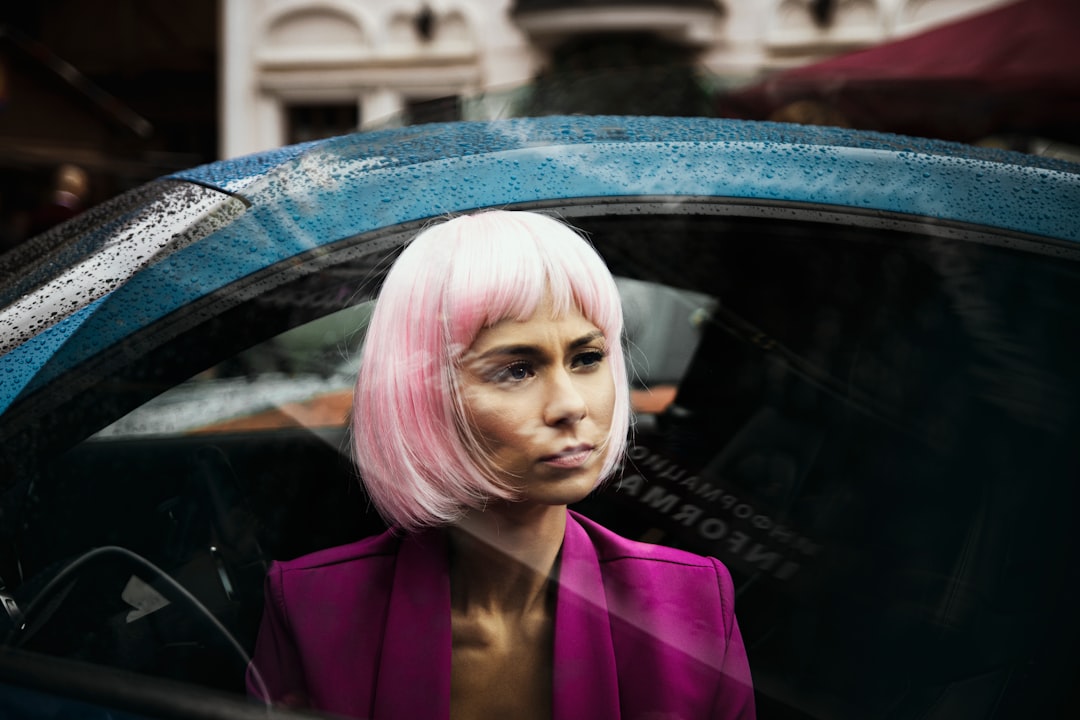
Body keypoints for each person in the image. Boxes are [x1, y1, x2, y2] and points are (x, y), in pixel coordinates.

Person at [247, 210, 755, 719]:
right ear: (425, 395)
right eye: (517, 369)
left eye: (587, 358)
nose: (570, 405)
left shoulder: (692, 602)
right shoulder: (312, 610)